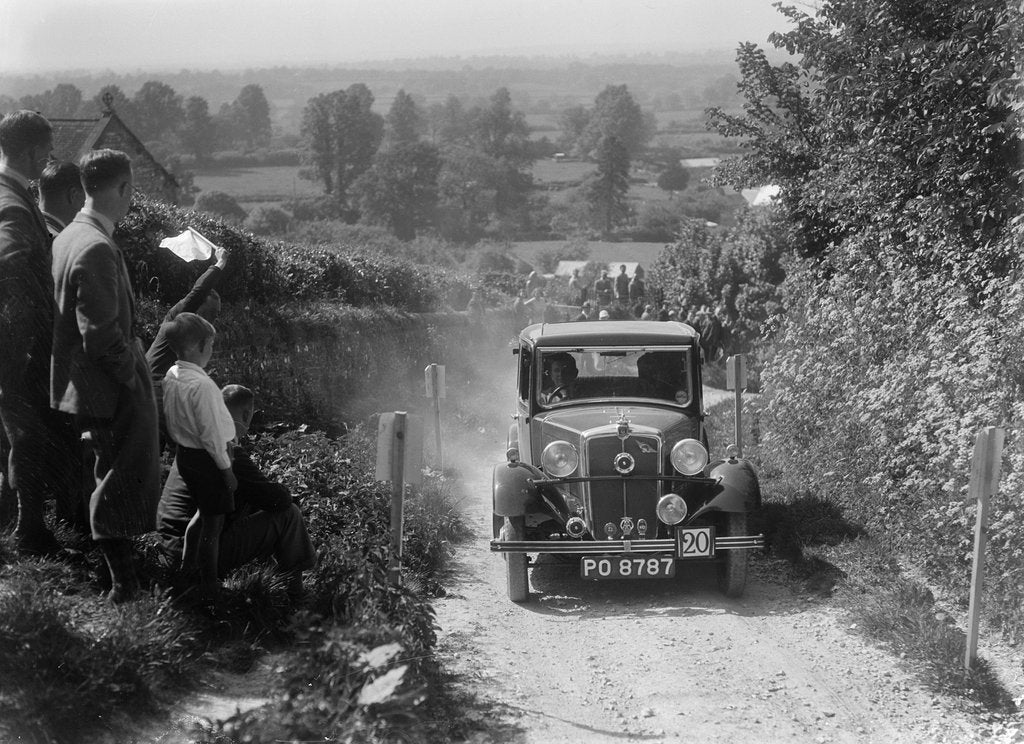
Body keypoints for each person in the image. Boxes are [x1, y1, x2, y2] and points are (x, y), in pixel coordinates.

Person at [51, 148, 161, 600]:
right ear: (122, 188)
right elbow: (100, 335)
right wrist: (133, 377)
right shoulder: (95, 245)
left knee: (105, 474)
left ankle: (123, 579)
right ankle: (123, 586)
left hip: (84, 384)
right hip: (105, 386)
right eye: (130, 190)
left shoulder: (69, 235)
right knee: (117, 476)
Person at [157, 383, 316, 602]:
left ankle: (276, 575)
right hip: (201, 556)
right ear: (246, 414)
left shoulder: (194, 443)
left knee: (247, 503)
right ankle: (297, 595)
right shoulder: (227, 451)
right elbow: (278, 500)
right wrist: (282, 491)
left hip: (168, 551)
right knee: (289, 515)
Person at [0, 110, 77, 555]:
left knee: (19, 435)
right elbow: (9, 264)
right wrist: (22, 333)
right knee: (27, 437)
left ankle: (24, 523)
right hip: (20, 343)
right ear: (31, 151)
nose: (50, 156)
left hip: (16, 340)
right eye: (47, 150)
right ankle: (31, 532)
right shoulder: (12, 203)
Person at [159, 312, 237, 601]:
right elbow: (212, 435)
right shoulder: (202, 386)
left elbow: (170, 418)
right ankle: (209, 584)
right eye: (211, 346)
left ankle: (186, 568)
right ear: (198, 347)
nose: (212, 351)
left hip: (186, 456)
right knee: (213, 525)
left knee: (201, 514)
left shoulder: (172, 375)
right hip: (208, 459)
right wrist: (226, 470)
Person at [146, 242, 229, 383]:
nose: (213, 318)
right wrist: (220, 263)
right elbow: (199, 291)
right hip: (152, 384)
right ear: (197, 306)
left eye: (216, 314)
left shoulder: (199, 333)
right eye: (211, 312)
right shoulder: (177, 319)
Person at [38, 161, 85, 240]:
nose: (85, 203)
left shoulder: (27, 226)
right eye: (85, 196)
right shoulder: (59, 242)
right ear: (73, 194)